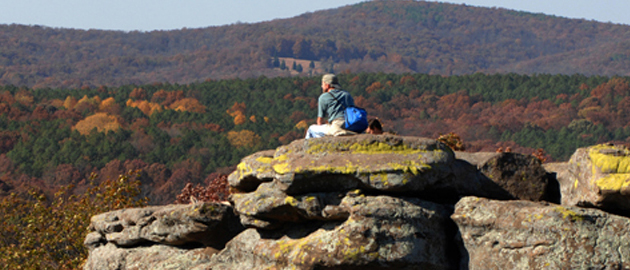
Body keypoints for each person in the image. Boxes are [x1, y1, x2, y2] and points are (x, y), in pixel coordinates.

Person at [305, 74, 356, 139]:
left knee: (311, 129)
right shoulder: (347, 94)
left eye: (322, 84)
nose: (321, 86)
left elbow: (320, 121)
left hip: (336, 127)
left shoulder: (323, 97)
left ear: (327, 85)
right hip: (351, 126)